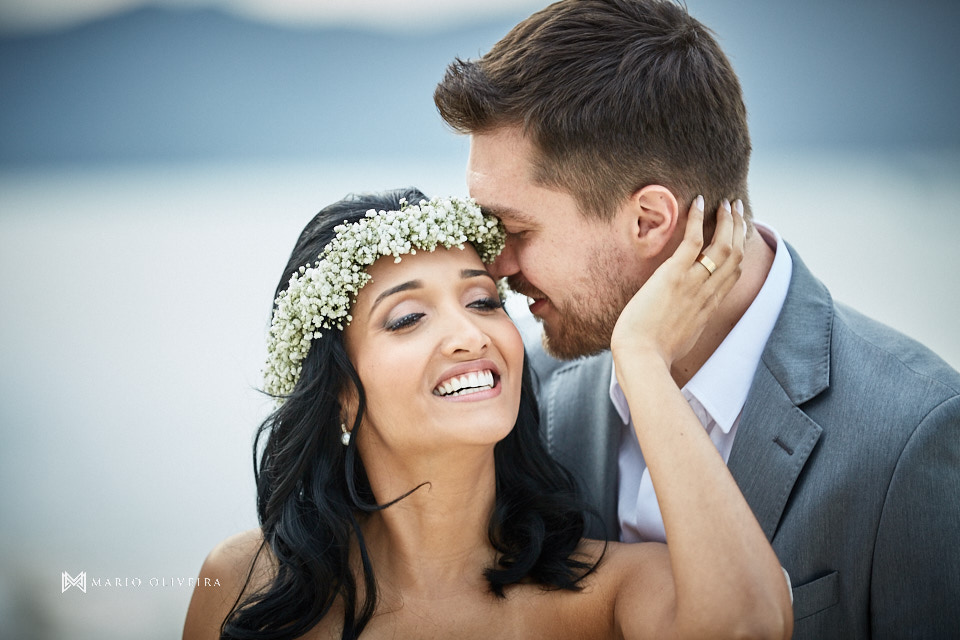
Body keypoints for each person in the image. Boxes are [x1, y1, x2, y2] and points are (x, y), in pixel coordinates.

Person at [433, 0, 960, 638]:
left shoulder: (913, 433)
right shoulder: (530, 394)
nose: (498, 265)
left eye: (515, 229)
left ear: (650, 221)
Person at [182, 188, 792, 639]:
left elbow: (749, 629)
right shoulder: (242, 587)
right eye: (407, 318)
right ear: (340, 390)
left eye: (482, 300)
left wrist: (640, 358)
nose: (470, 336)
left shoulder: (611, 594)